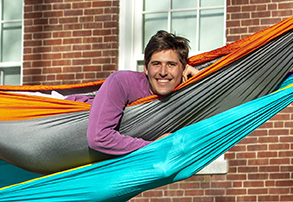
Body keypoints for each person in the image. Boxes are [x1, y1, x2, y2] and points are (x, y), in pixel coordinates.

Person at [69, 31, 199, 156]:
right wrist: (153, 147)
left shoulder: (187, 94)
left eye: (171, 64)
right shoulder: (122, 82)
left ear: (183, 69)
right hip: (62, 115)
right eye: (156, 64)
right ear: (146, 69)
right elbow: (99, 137)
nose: (163, 72)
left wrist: (200, 79)